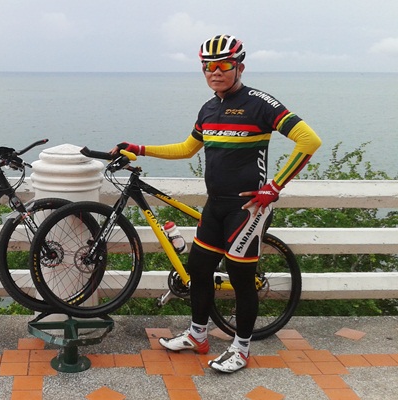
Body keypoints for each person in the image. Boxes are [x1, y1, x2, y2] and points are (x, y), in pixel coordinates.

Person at [112, 34, 321, 373]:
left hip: (247, 209)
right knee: (199, 269)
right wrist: (140, 149)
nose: (215, 72)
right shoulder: (209, 109)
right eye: (208, 66)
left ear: (240, 67)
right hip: (216, 205)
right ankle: (198, 335)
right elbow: (186, 149)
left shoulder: (259, 103)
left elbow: (309, 140)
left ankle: (241, 349)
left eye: (223, 65)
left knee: (241, 278)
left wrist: (274, 187)